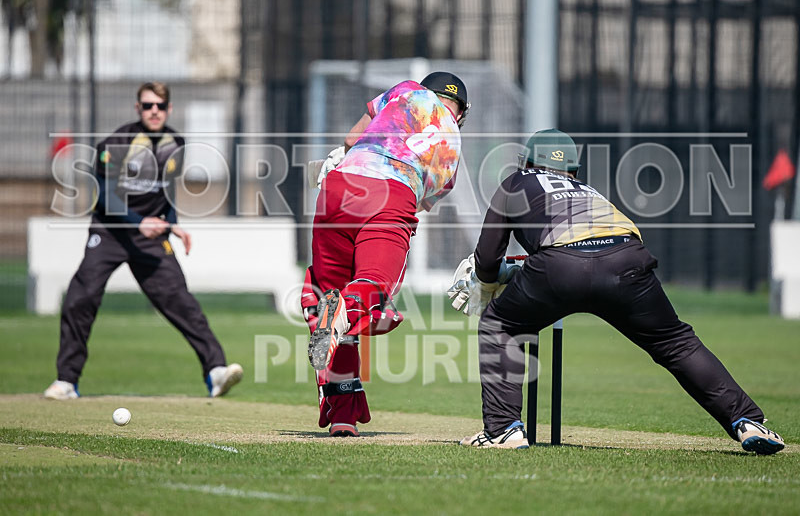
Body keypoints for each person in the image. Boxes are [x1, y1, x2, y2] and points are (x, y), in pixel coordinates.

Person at [450, 129, 784, 454]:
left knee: (500, 324)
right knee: (676, 343)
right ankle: (748, 421)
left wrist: (490, 281)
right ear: (572, 170)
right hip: (626, 259)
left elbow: (488, 258)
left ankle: (503, 429)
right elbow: (591, 246)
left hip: (561, 267)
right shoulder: (587, 189)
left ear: (527, 163)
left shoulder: (516, 182)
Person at [44, 82, 243, 400]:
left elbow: (167, 192)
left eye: (160, 106)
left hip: (152, 237)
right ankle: (67, 381)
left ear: (169, 109)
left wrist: (173, 225)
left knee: (180, 301)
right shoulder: (116, 142)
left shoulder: (176, 142)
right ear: (138, 108)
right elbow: (105, 197)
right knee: (81, 297)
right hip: (110, 233)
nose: (154, 111)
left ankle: (215, 371)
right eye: (148, 105)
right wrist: (140, 221)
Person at [301, 72, 470, 436]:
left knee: (337, 308)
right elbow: (420, 202)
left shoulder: (406, 91)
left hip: (338, 188)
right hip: (391, 193)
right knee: (373, 285)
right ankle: (352, 312)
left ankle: (343, 415)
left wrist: (348, 159)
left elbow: (351, 138)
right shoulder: (453, 144)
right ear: (461, 112)